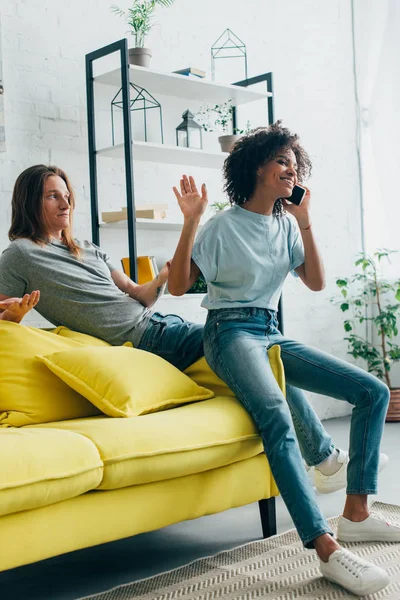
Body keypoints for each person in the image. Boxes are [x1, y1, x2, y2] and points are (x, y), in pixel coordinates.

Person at [167, 122, 399, 596]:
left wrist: (305, 218)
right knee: (275, 414)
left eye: (296, 164)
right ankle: (326, 547)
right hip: (229, 331)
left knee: (372, 391)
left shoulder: (285, 224)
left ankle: (355, 512)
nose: (292, 170)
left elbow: (314, 281)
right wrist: (190, 221)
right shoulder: (221, 226)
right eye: (282, 161)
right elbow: (176, 287)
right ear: (257, 168)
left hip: (270, 330)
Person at [0, 165, 203, 372]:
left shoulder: (87, 247)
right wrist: (14, 315)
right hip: (146, 340)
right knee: (226, 333)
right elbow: (2, 322)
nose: (65, 205)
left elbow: (138, 294)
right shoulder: (20, 253)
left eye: (67, 196)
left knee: (229, 329)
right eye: (53, 197)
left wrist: (160, 280)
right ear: (29, 203)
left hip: (161, 324)